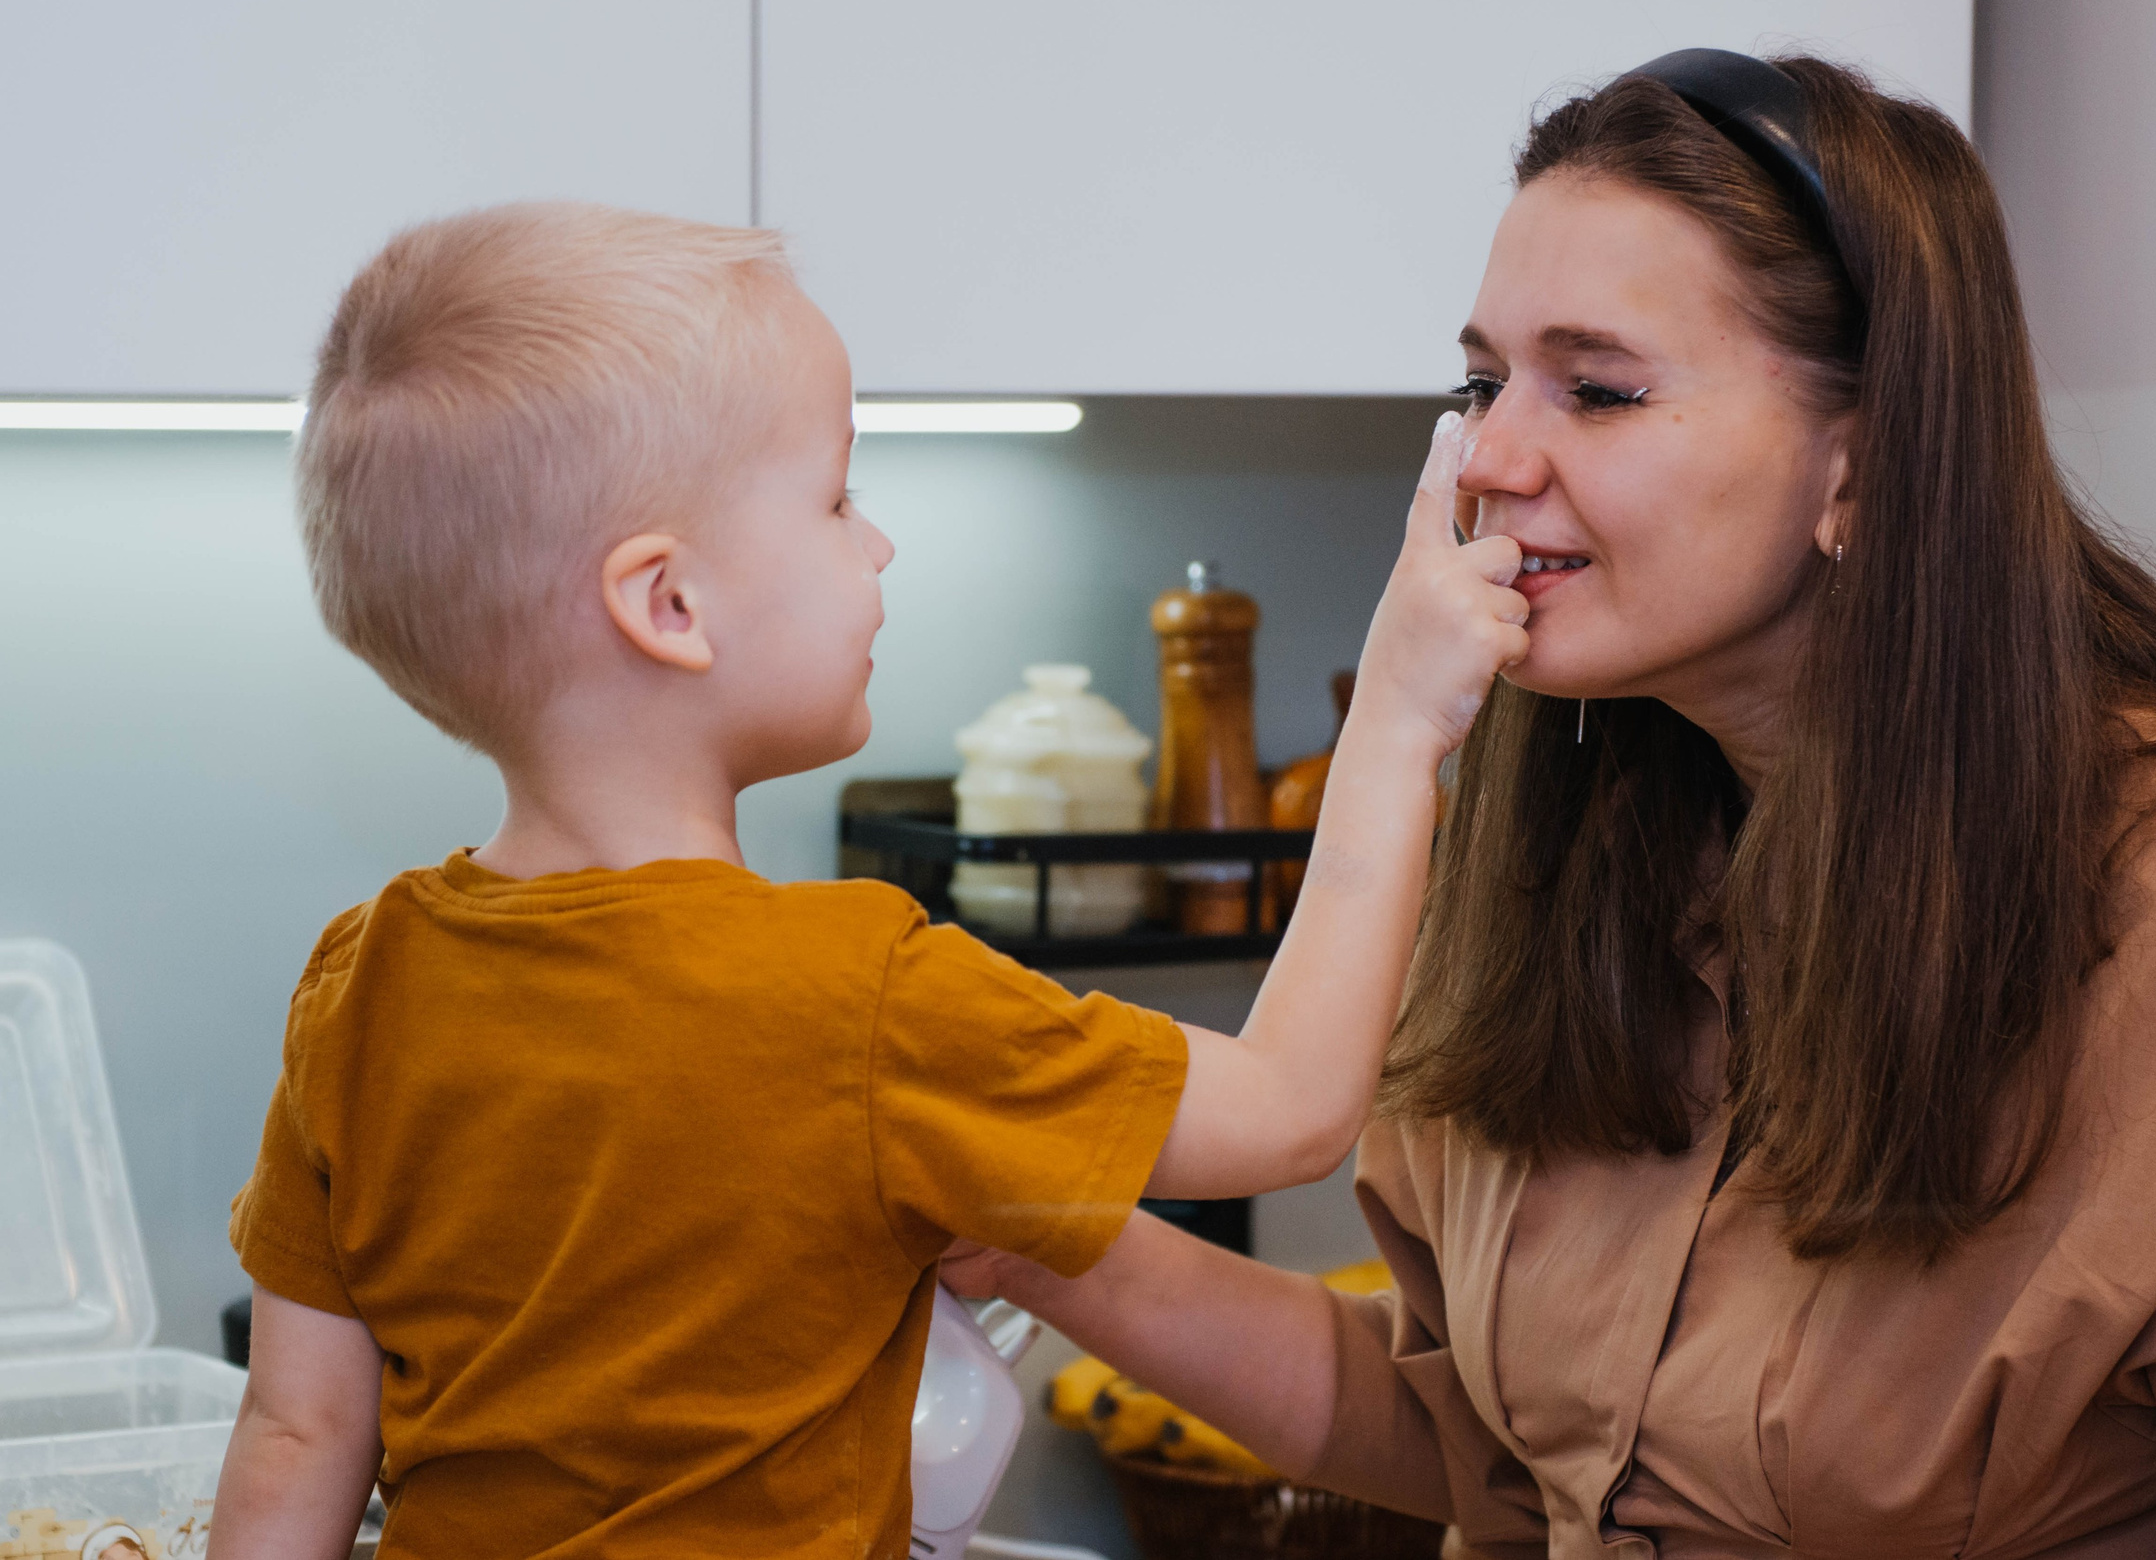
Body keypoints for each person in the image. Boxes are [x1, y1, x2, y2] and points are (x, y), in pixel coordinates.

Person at [946, 53, 2156, 1555]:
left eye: (1599, 392)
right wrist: (1030, 1233)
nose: (1487, 457)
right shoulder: (1568, 841)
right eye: (1485, 378)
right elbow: (1494, 1441)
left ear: (1859, 470)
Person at [207, 203, 1530, 1558]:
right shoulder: (861, 995)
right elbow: (1294, 1107)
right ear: (669, 606)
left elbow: (299, 1436)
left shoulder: (360, 985)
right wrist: (1395, 722)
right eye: (838, 494)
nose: (877, 543)